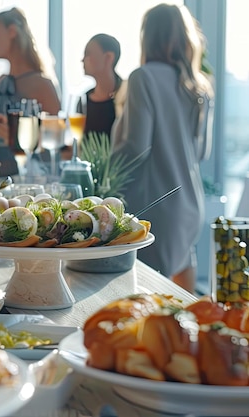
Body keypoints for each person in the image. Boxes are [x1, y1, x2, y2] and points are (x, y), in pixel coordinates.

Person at [112, 4, 213, 294]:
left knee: (150, 301)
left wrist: (104, 166)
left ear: (148, 36)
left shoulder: (143, 77)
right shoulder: (198, 86)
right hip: (190, 206)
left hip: (157, 206)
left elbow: (137, 148)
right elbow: (202, 151)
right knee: (184, 299)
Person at [0, 7, 61, 177]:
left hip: (32, 180)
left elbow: (53, 146)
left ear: (12, 32)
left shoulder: (42, 84)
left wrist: (9, 134)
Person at [78, 33, 127, 140]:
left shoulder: (127, 97)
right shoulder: (83, 100)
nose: (82, 60)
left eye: (88, 54)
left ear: (108, 57)